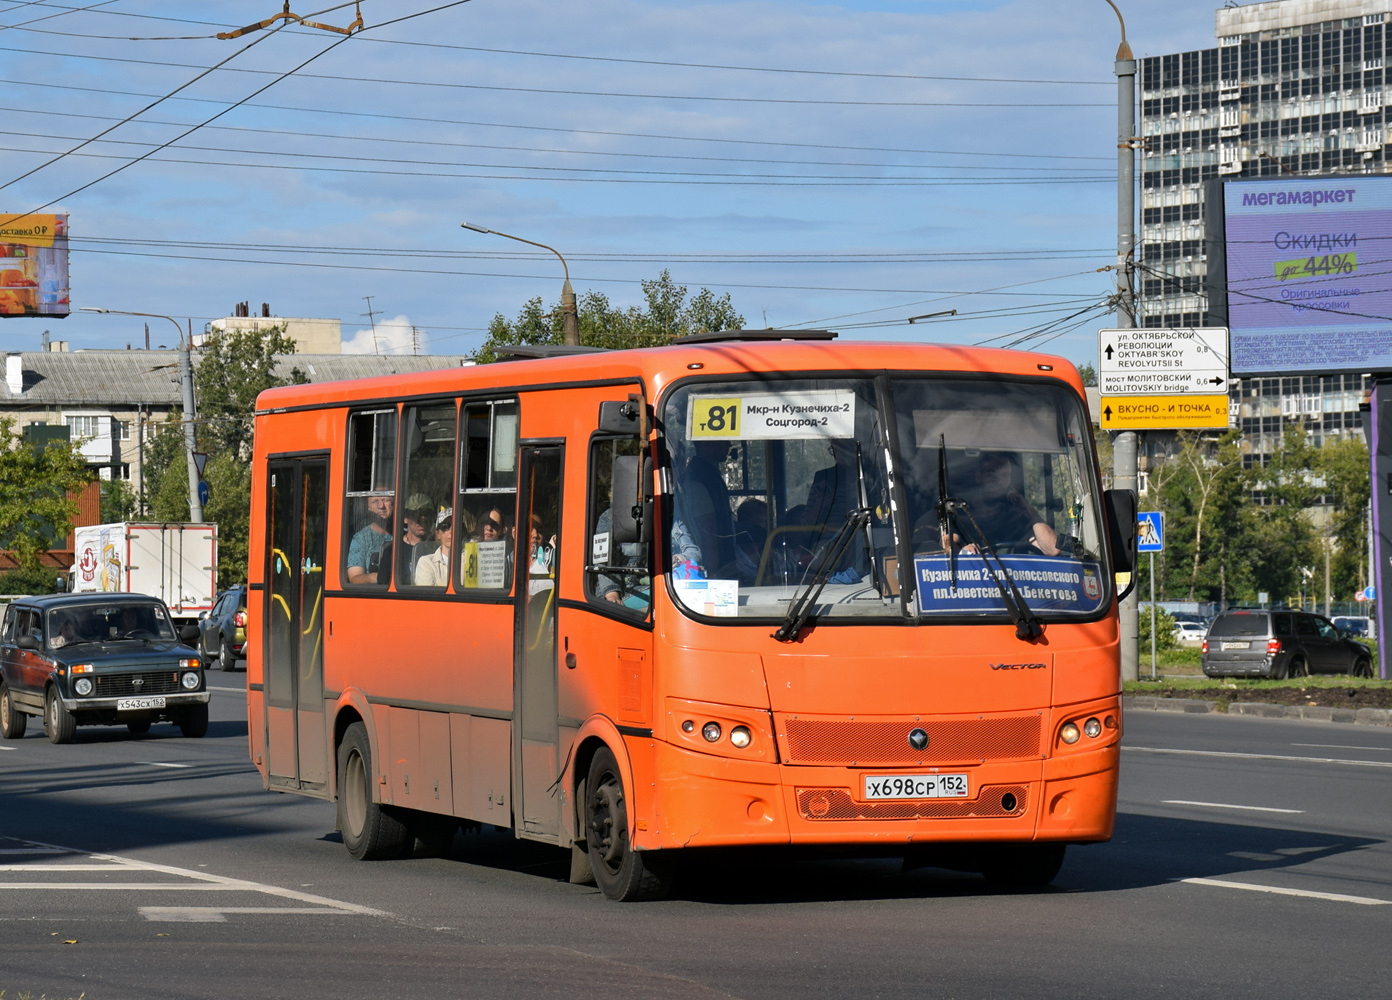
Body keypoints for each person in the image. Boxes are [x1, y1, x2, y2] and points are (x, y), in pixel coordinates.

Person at [959, 452, 1059, 556]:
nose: (998, 481)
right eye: (992, 474)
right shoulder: (960, 513)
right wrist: (964, 551)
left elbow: (1053, 549)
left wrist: (1028, 510)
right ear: (978, 476)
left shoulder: (1017, 518)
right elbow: (948, 545)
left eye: (1005, 475)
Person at [680, 440, 735, 577]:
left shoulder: (709, 471)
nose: (729, 445)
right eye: (723, 440)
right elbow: (708, 529)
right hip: (716, 565)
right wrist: (713, 570)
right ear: (705, 443)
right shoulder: (701, 476)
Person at [347, 495, 394, 585]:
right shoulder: (361, 539)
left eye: (385, 500)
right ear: (369, 508)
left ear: (393, 503)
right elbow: (354, 578)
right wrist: (378, 577)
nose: (381, 506)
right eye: (375, 501)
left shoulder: (404, 534)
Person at [412, 508, 454, 588]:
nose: (452, 530)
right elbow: (427, 596)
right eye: (445, 526)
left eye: (457, 525)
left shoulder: (470, 559)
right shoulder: (426, 563)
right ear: (438, 534)